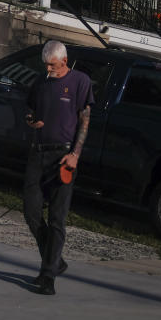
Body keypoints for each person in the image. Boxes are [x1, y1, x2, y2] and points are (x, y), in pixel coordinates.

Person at [23, 40, 94, 295]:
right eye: (45, 64)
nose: (48, 69)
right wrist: (31, 120)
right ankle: (55, 259)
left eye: (52, 64)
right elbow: (30, 109)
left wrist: (75, 154)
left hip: (63, 156)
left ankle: (48, 276)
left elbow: (85, 121)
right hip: (37, 153)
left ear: (64, 61)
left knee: (56, 217)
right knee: (30, 211)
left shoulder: (80, 82)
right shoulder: (41, 81)